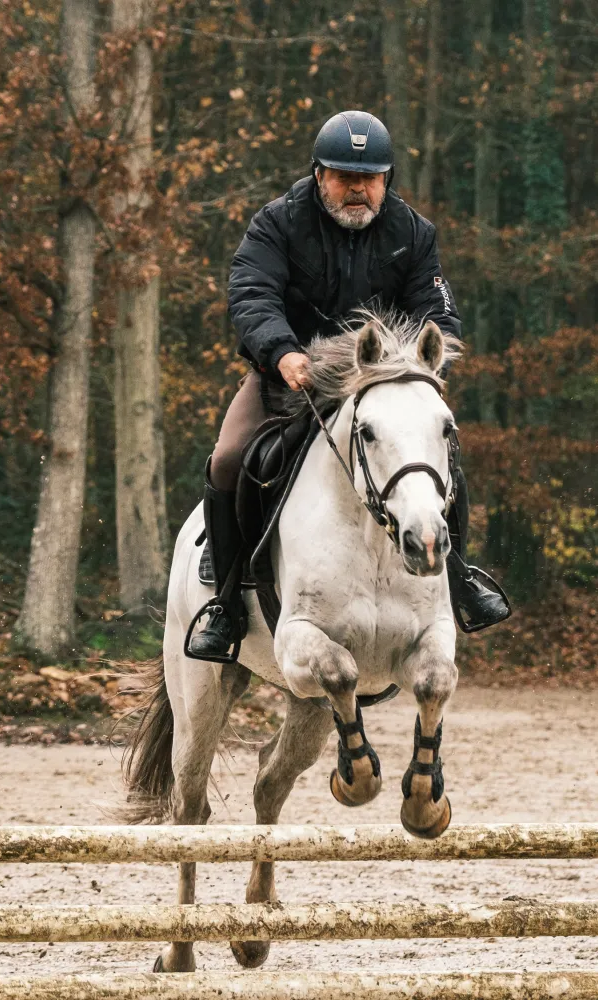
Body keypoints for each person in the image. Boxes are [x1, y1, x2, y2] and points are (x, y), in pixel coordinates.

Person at [189, 109, 510, 659]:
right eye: (345, 176)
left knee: (442, 462)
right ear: (319, 175)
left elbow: (437, 312)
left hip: (379, 384)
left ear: (387, 180)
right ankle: (224, 600)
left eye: (370, 178)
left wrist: (427, 370)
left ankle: (457, 577)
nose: (358, 189)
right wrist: (281, 351)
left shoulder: (414, 232)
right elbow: (251, 292)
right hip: (292, 381)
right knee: (228, 458)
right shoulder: (277, 222)